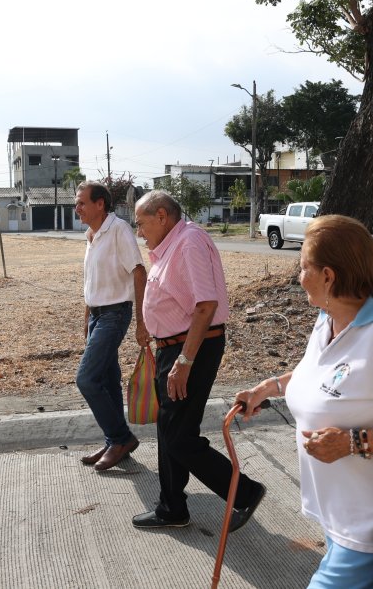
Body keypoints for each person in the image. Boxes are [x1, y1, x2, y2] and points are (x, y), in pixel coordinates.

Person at [234, 214, 373, 588]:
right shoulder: (330, 316)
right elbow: (322, 376)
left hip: (372, 530)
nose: (298, 276)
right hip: (337, 518)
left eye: (303, 267)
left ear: (328, 276)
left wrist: (353, 442)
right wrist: (269, 388)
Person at [130, 190, 266, 531]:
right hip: (174, 348)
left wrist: (184, 361)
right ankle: (171, 507)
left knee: (179, 436)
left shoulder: (189, 242)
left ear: (162, 216)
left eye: (141, 223)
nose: (139, 232)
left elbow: (206, 306)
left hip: (191, 348)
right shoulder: (171, 244)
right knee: (169, 429)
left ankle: (243, 492)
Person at [74, 181, 149, 471]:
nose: (77, 208)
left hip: (115, 314)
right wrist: (87, 319)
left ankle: (121, 438)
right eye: (77, 203)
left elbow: (139, 272)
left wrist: (142, 323)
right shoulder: (91, 235)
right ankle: (114, 442)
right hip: (97, 315)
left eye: (82, 202)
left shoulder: (118, 229)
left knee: (87, 379)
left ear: (100, 204)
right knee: (106, 379)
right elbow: (91, 281)